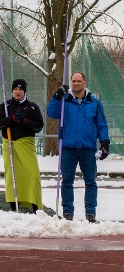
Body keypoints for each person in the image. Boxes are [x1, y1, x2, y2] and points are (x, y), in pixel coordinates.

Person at [47, 71, 110, 223]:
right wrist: (56, 97)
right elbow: (51, 113)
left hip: (88, 148)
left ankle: (90, 213)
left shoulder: (94, 103)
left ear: (85, 83)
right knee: (67, 181)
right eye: (73, 81)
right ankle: (68, 213)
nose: (76, 83)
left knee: (90, 181)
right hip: (68, 147)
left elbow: (101, 124)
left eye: (79, 81)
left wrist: (104, 142)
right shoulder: (64, 101)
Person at [0, 79, 44, 213]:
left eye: (20, 89)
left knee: (33, 175)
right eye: (15, 89)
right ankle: (13, 205)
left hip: (26, 145)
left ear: (24, 91)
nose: (17, 91)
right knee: (12, 176)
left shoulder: (32, 107)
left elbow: (38, 126)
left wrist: (25, 121)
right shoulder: (5, 106)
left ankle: (35, 205)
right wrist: (12, 119)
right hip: (9, 144)